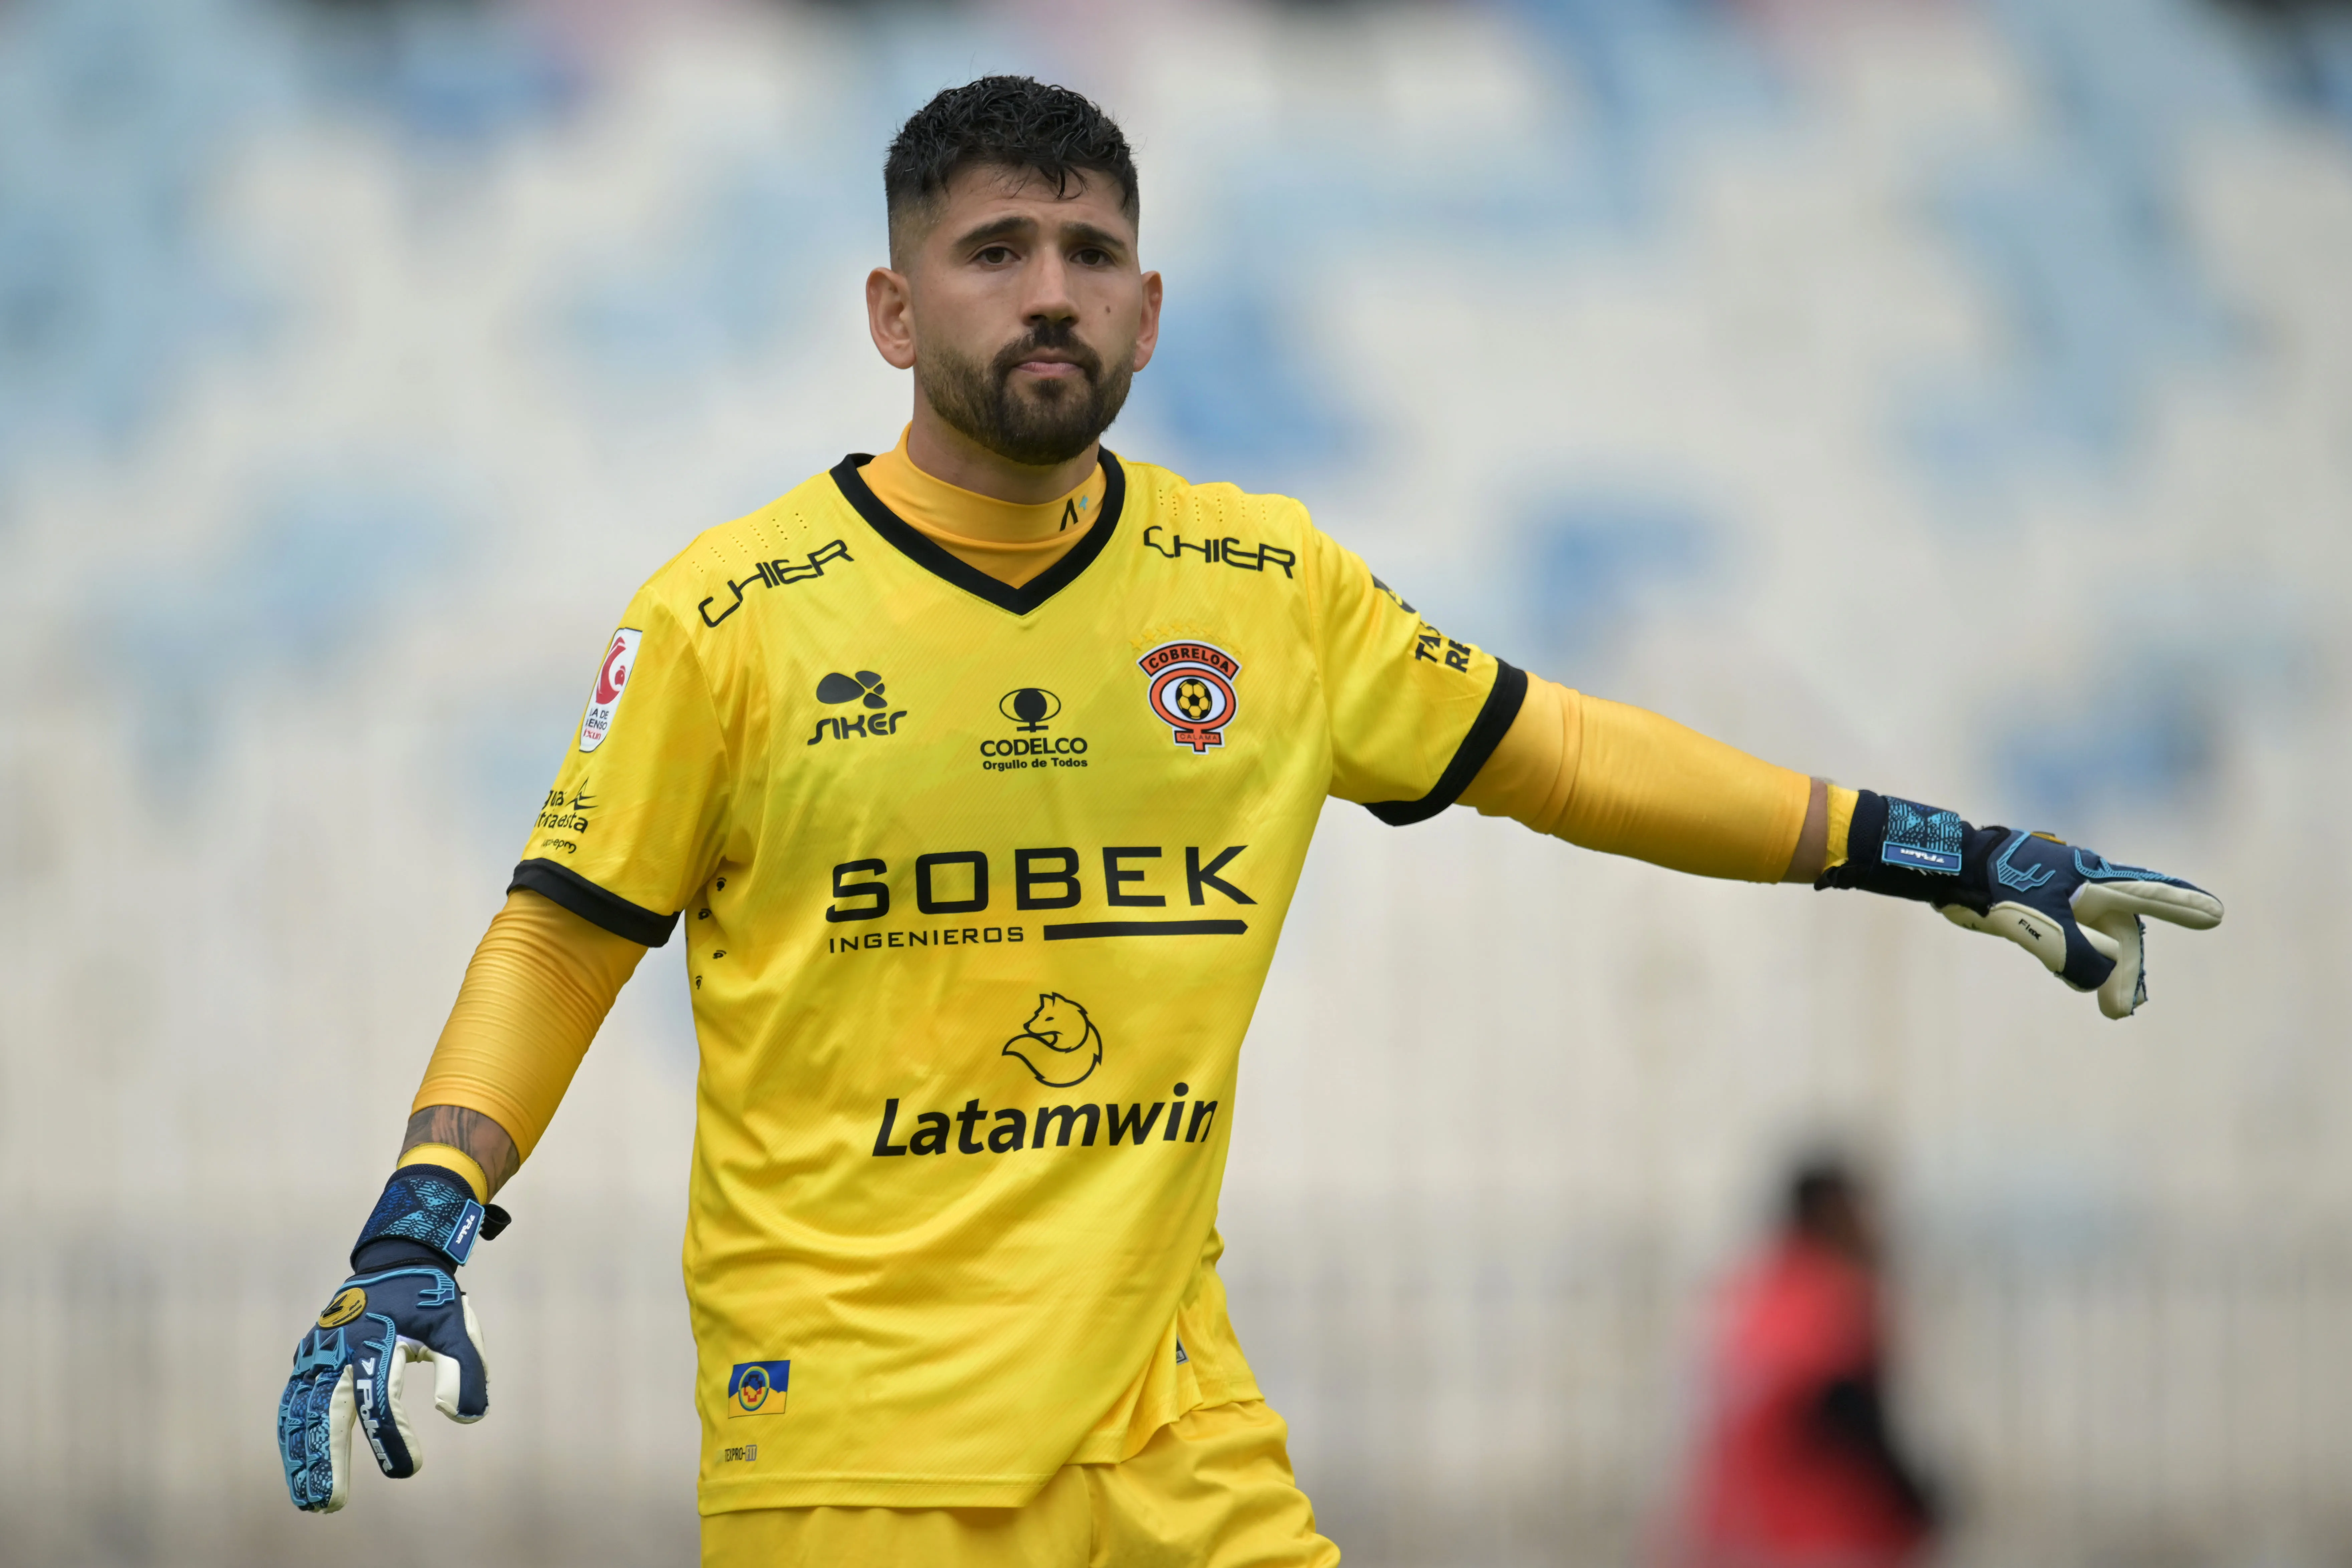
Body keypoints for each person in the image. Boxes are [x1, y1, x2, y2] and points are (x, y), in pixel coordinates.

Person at [275, 76, 2221, 1567]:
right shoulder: (731, 615)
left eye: (1088, 249)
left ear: (1145, 301)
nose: (1051, 287)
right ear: (889, 305)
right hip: (856, 1446)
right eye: (994, 248)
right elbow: (560, 930)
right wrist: (421, 1209)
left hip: (1167, 1433)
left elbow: (1567, 754)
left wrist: (1934, 846)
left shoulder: (1263, 586)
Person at [1668, 1159, 1939, 1568]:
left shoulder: (1754, 1292)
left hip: (1742, 1532)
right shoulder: (1831, 1292)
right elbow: (1836, 1398)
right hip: (1825, 1532)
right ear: (1832, 1214)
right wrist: (1914, 1496)